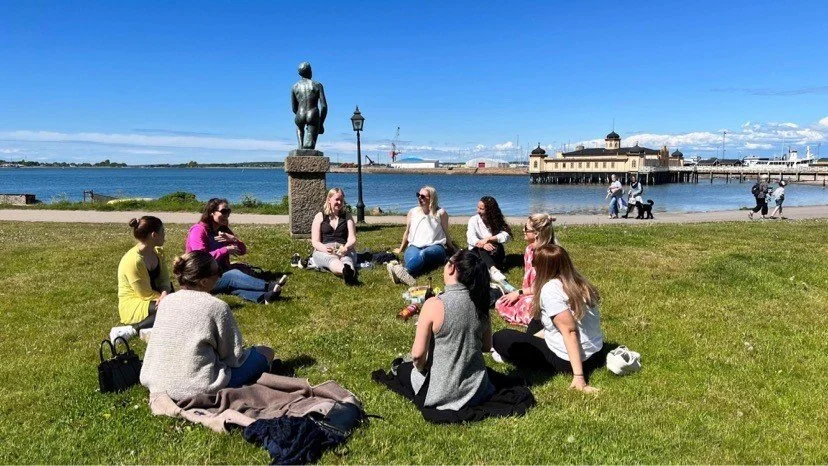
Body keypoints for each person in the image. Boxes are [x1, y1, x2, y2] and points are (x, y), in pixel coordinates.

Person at [140, 251, 276, 401]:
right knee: (266, 352)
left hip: (157, 382)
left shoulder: (166, 302)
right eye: (218, 271)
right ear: (203, 282)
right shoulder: (216, 307)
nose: (220, 275)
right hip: (199, 387)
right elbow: (233, 357)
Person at [492, 245, 604, 393]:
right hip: (596, 353)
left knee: (501, 337)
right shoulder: (579, 282)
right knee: (537, 317)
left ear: (543, 268)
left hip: (569, 360)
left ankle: (519, 355)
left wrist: (579, 376)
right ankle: (530, 342)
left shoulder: (551, 289)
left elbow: (570, 331)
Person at [396, 249, 495, 410]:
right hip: (477, 390)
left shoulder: (434, 304)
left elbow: (417, 355)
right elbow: (486, 346)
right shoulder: (481, 303)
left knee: (402, 369)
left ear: (452, 268)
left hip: (442, 391)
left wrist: (422, 369)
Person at [186, 198, 284, 304]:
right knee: (233, 275)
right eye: (223, 211)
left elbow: (242, 251)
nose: (226, 215)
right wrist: (225, 250)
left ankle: (264, 298)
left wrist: (233, 239)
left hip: (217, 273)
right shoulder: (198, 230)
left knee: (233, 287)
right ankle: (269, 286)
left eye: (228, 212)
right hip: (200, 279)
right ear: (211, 212)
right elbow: (200, 259)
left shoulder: (222, 230)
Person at [112, 216, 174, 341]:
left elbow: (165, 280)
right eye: (163, 232)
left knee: (174, 308)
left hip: (157, 296)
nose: (165, 235)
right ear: (154, 235)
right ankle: (132, 329)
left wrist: (165, 294)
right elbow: (144, 294)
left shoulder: (158, 252)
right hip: (135, 301)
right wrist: (166, 300)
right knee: (171, 309)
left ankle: (151, 326)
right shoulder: (134, 261)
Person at [494, 213, 556, 326]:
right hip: (531, 292)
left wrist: (520, 292)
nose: (523, 229)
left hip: (547, 294)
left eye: (526, 228)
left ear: (536, 233)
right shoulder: (529, 250)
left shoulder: (548, 255)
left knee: (530, 307)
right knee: (502, 302)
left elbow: (544, 287)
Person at [388, 186, 458, 286]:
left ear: (432, 198)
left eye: (423, 196)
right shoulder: (413, 212)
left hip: (435, 247)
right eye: (418, 195)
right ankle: (403, 274)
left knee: (423, 254)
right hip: (414, 246)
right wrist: (401, 249)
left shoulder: (440, 213)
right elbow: (407, 232)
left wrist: (452, 248)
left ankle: (403, 271)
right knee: (413, 257)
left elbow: (446, 232)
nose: (419, 198)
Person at [310, 188, 358, 285]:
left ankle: (349, 272)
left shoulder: (347, 216)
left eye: (341, 200)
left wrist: (346, 248)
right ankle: (345, 271)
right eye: (337, 199)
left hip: (344, 248)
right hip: (325, 250)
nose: (339, 202)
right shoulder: (320, 216)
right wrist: (325, 249)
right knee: (331, 259)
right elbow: (315, 241)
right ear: (329, 199)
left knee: (347, 259)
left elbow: (352, 238)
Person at [466, 196, 512, 274]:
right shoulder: (473, 220)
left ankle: (490, 266)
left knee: (498, 245)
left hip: (494, 250)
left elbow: (506, 236)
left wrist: (489, 239)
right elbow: (470, 237)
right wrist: (483, 244)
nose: (478, 211)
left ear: (490, 210)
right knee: (481, 249)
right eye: (478, 208)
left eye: (481, 209)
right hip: (478, 250)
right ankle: (493, 269)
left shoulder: (497, 220)